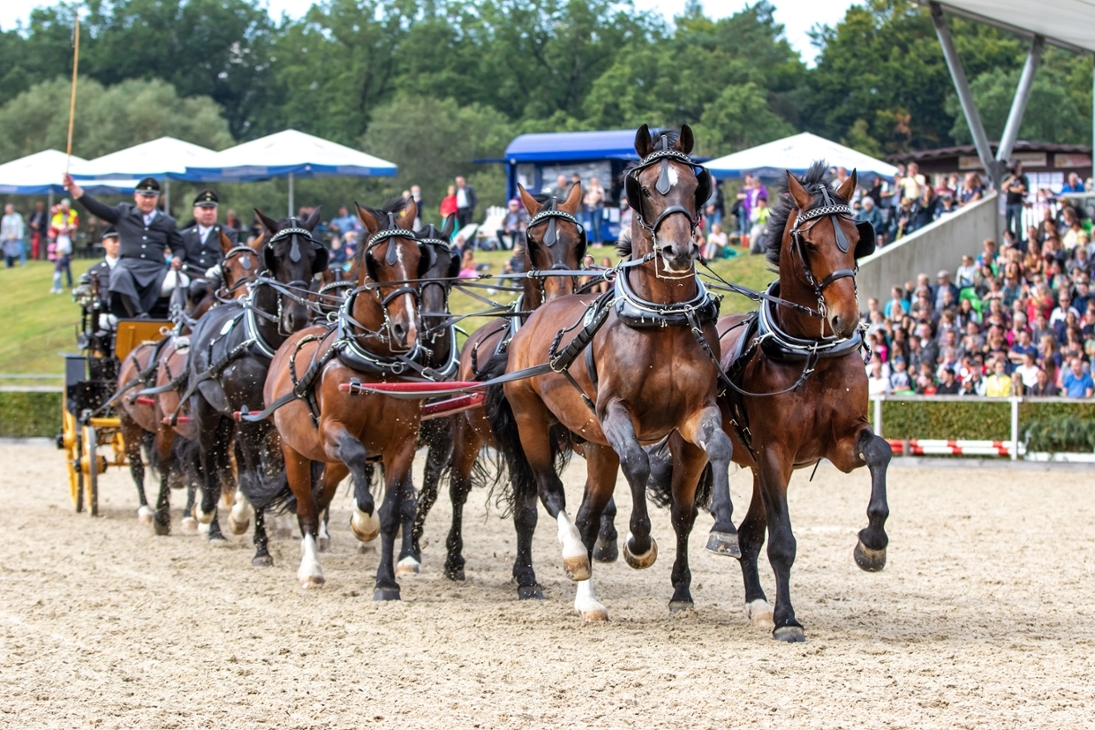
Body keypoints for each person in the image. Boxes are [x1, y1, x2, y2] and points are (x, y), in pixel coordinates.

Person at [64, 173, 183, 317]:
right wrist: (74, 189)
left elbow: (178, 246)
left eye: (151, 197)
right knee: (120, 275)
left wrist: (177, 258)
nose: (147, 200)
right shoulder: (123, 213)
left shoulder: (167, 221)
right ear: (136, 196)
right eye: (144, 196)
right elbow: (97, 208)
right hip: (128, 265)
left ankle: (178, 321)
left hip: (155, 269)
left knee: (180, 281)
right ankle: (137, 316)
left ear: (157, 198)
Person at [176, 189, 237, 276]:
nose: (208, 212)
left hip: (218, 281)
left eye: (212, 208)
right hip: (190, 278)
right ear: (195, 212)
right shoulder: (185, 235)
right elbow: (180, 254)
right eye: (204, 209)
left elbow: (232, 258)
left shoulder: (228, 234)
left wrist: (217, 270)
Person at [48, 198, 79, 293]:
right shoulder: (59, 213)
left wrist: (68, 228)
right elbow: (53, 210)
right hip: (59, 237)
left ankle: (69, 282)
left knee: (67, 262)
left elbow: (75, 224)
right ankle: (57, 284)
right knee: (59, 261)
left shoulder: (72, 213)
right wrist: (60, 207)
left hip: (68, 237)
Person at [1004, 163, 1029, 243]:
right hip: (1008, 203)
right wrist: (1011, 180)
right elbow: (1003, 187)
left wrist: (1010, 188)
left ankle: (1019, 240)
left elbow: (1020, 189)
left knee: (1018, 223)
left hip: (1017, 203)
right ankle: (1009, 240)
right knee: (1008, 223)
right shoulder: (1008, 178)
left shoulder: (1021, 178)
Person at [583, 176, 605, 246]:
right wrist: (590, 201)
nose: (594, 183)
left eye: (595, 182)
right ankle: (595, 241)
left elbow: (596, 199)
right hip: (590, 210)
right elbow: (585, 200)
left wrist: (590, 201)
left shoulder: (599, 190)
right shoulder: (589, 191)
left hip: (597, 210)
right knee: (592, 226)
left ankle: (599, 241)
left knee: (597, 226)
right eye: (592, 182)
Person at [2, 203, 25, 268]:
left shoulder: (18, 217)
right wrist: (4, 237)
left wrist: (19, 236)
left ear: (12, 209)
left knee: (20, 250)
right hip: (7, 237)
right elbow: (3, 228)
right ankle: (7, 264)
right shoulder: (5, 218)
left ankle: (23, 263)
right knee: (7, 252)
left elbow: (20, 227)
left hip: (17, 237)